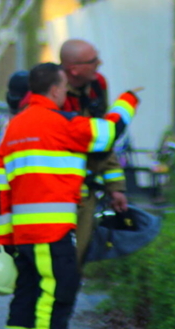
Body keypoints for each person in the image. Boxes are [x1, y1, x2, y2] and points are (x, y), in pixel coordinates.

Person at [0, 62, 139, 329]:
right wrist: (128, 101)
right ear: (54, 90)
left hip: (23, 234)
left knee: (26, 297)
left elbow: (1, 189)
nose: (65, 92)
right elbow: (110, 132)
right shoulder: (64, 124)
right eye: (63, 87)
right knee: (57, 295)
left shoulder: (13, 128)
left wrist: (4, 239)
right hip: (52, 232)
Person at [59, 39, 130, 268]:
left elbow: (102, 141)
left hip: (85, 191)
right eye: (93, 61)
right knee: (53, 260)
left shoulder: (97, 85)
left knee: (76, 259)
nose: (100, 63)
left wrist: (115, 187)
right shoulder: (53, 93)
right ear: (74, 69)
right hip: (55, 193)